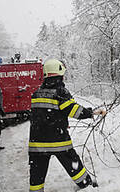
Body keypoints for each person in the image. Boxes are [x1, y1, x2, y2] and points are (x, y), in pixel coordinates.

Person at [29, 59, 106, 192]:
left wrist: (59, 121)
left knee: (37, 172)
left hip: (37, 142)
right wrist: (92, 113)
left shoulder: (37, 93)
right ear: (59, 73)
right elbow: (73, 110)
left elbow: (43, 115)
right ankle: (86, 184)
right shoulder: (60, 92)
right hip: (57, 140)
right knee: (72, 162)